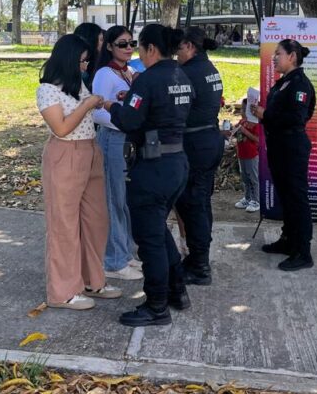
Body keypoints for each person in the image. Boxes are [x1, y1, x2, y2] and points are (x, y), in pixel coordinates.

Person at [108, 23, 193, 327]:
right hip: (177, 162)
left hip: (153, 168)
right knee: (158, 230)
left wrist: (111, 105)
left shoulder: (148, 80)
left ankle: (156, 305)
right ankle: (177, 290)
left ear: (151, 49)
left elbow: (130, 120)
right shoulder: (181, 75)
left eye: (139, 47)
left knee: (149, 240)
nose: (136, 53)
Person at [36, 34, 121, 311]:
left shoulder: (78, 85)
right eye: (82, 61)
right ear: (68, 60)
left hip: (90, 151)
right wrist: (86, 105)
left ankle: (92, 280)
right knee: (64, 225)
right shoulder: (48, 89)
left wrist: (96, 103)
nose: (86, 66)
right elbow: (61, 128)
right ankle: (62, 292)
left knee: (96, 220)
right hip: (65, 154)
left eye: (87, 61)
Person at [250, 38, 315, 271]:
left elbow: (297, 118)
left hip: (292, 149)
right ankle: (288, 240)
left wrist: (266, 115)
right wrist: (262, 113)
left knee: (297, 199)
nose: (274, 57)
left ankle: (303, 252)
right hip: (279, 147)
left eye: (278, 53)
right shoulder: (284, 82)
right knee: (286, 198)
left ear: (292, 57)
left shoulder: (300, 84)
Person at [90, 25, 143, 281]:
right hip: (112, 139)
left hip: (128, 140)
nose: (129, 48)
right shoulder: (104, 73)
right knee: (113, 199)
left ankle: (126, 253)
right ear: (110, 47)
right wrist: (123, 121)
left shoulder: (130, 72)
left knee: (125, 200)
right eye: (122, 44)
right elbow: (96, 111)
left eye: (132, 43)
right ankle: (113, 261)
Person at [174, 27, 225, 285]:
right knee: (201, 202)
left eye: (179, 48)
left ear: (190, 47)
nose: (177, 54)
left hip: (196, 144)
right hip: (209, 140)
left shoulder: (188, 72)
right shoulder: (208, 68)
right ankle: (198, 258)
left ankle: (200, 266)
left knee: (193, 205)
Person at [233, 98, 261, 213]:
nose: (242, 111)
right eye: (242, 109)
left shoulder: (255, 123)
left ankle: (256, 200)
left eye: (245, 109)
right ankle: (247, 198)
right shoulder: (242, 121)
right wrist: (235, 131)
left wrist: (245, 132)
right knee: (244, 177)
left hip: (251, 155)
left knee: (253, 178)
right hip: (242, 154)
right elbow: (238, 136)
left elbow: (258, 139)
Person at [73, 22, 104, 88]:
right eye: (101, 40)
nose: (103, 43)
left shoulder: (97, 60)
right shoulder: (78, 68)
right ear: (92, 41)